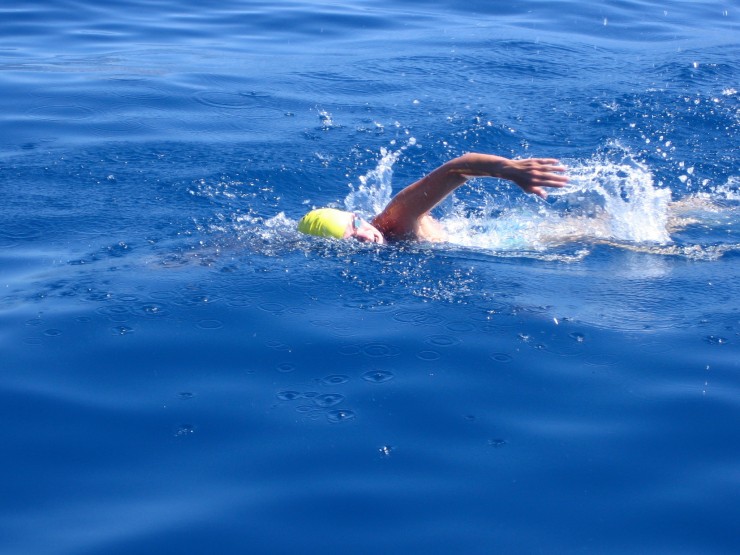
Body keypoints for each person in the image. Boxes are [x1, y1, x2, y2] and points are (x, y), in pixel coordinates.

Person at [297, 153, 568, 244]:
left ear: (358, 216)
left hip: (516, 237)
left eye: (357, 226)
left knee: (590, 234)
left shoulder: (393, 222)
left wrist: (508, 169)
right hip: (491, 237)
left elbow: (455, 169)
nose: (365, 237)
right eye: (352, 239)